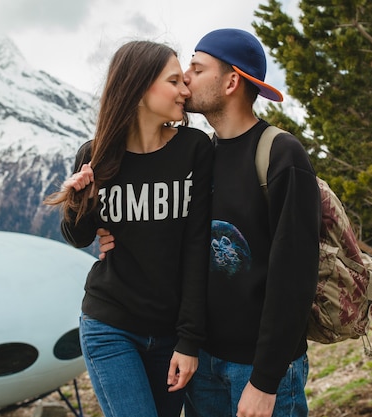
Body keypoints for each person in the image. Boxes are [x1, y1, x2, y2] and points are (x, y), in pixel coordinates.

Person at [97, 28, 321, 417]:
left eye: (197, 69)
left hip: (258, 369)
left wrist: (265, 381)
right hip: (201, 364)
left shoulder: (281, 154)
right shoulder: (199, 155)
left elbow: (295, 276)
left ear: (232, 81)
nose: (185, 79)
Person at [44, 40, 213, 417]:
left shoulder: (195, 149)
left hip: (171, 333)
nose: (186, 89)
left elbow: (197, 247)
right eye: (174, 81)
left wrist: (188, 340)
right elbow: (79, 236)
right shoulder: (96, 154)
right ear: (139, 88)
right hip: (110, 324)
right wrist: (76, 200)